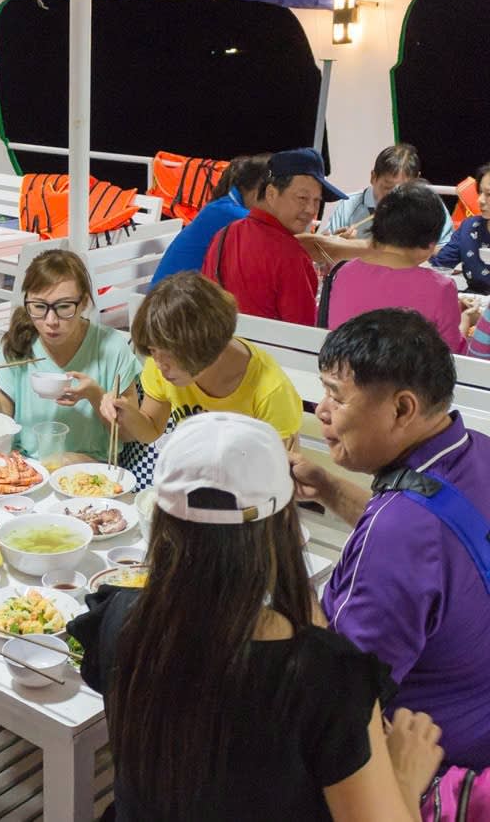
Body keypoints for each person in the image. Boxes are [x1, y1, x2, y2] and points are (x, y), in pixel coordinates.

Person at [69, 412, 444, 822]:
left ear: (159, 521)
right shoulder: (329, 680)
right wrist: (405, 777)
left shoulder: (120, 618)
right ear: (285, 523)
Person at [290, 309, 490, 769]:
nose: (321, 410)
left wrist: (279, 563)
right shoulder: (474, 450)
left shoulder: (397, 533)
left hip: (433, 766)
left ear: (402, 409)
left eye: (336, 396)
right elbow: (433, 526)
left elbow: (341, 689)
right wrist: (328, 487)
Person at [0, 248, 141, 461]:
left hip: (89, 470)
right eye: (39, 307)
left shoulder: (111, 348)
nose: (51, 321)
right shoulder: (19, 342)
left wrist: (95, 395)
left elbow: (129, 434)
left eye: (64, 307)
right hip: (25, 466)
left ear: (84, 303)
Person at [99, 272, 303, 447]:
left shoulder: (271, 390)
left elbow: (278, 471)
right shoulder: (160, 358)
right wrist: (126, 412)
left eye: (168, 353)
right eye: (153, 350)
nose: (159, 364)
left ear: (206, 344)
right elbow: (151, 430)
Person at [322, 181, 480, 353]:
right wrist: (466, 319)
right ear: (430, 243)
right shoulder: (440, 288)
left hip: (344, 368)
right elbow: (451, 354)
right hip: (408, 371)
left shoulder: (345, 272)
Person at [203, 147, 346, 326]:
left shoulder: (224, 234)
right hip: (264, 345)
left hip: (218, 339)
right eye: (302, 198)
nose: (311, 210)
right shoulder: (292, 256)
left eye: (317, 201)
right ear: (271, 194)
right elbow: (303, 333)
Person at [151, 153, 270, 285]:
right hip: (173, 296)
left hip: (188, 291)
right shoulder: (227, 212)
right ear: (256, 190)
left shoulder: (223, 208)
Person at [324, 143, 455, 245]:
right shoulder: (349, 206)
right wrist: (339, 245)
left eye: (404, 189)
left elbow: (446, 253)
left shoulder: (431, 208)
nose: (395, 198)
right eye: (387, 188)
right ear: (373, 177)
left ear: (417, 181)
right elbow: (323, 253)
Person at [429, 162, 490, 295]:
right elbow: (441, 266)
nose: (480, 200)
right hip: (472, 301)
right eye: (480, 192)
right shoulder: (470, 227)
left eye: (489, 194)